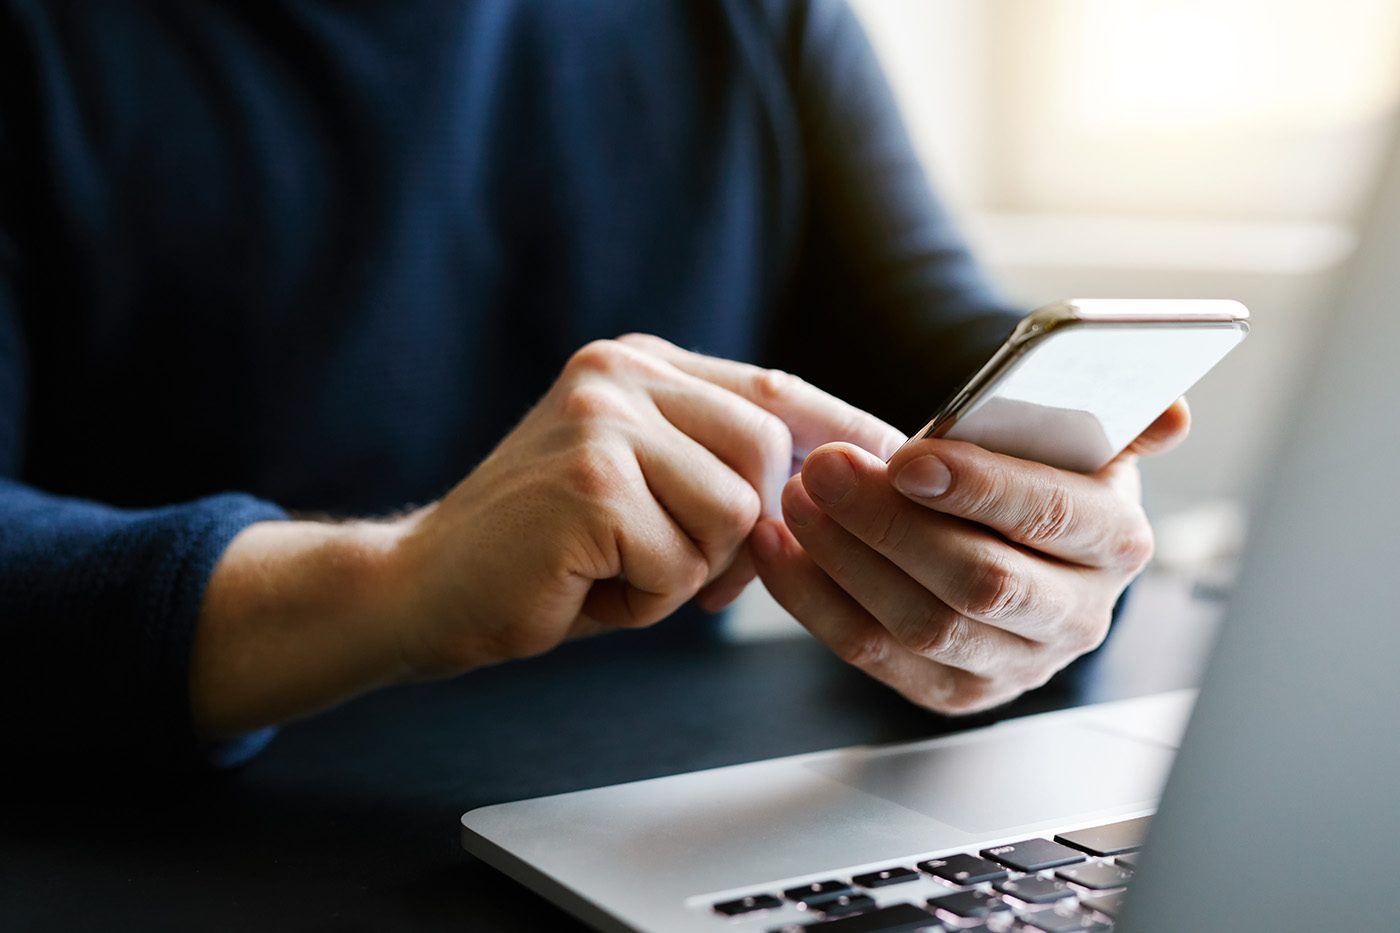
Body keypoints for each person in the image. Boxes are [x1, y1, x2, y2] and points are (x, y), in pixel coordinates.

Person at [0, 0, 1186, 769]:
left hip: (649, 828)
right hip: (148, 840)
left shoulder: (750, 23)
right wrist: (399, 586)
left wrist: (1050, 534)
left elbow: (931, 343)